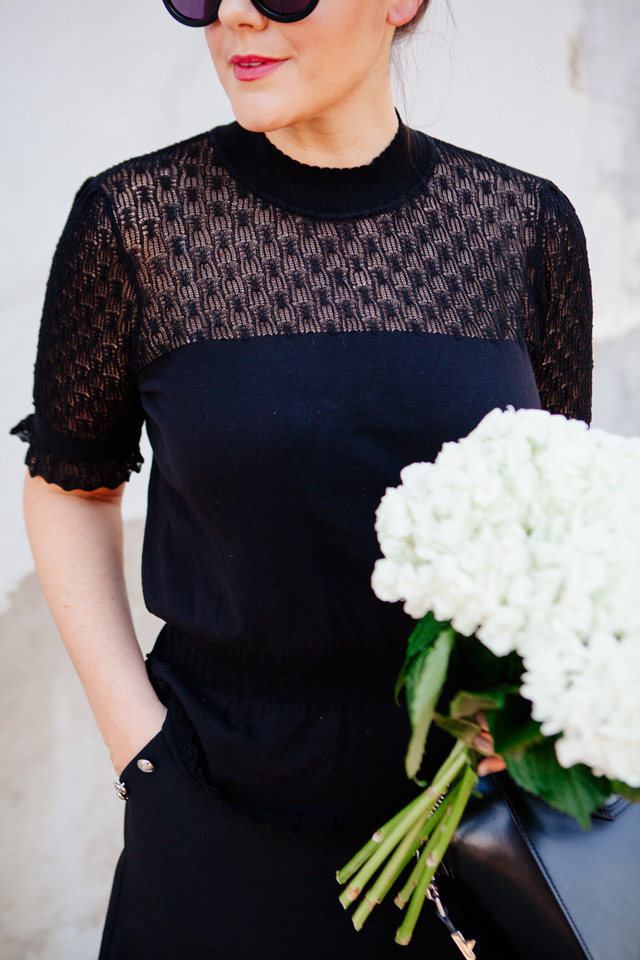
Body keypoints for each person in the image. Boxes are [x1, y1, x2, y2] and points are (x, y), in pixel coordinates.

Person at [11, 0, 592, 957]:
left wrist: (525, 729)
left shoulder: (526, 229)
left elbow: (563, 510)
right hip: (214, 807)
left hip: (467, 819)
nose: (235, 14)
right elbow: (72, 483)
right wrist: (142, 753)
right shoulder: (135, 222)